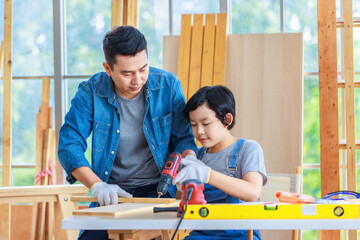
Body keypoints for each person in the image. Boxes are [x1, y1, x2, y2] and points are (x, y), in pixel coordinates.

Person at [58, 25, 197, 239]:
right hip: (111, 192)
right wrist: (97, 186)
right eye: (126, 73)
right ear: (108, 68)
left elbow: (183, 139)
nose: (137, 80)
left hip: (156, 191)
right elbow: (69, 144)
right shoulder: (90, 92)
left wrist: (191, 162)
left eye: (143, 69)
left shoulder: (168, 86)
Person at [173, 85, 267, 240]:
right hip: (200, 235)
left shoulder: (248, 149)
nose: (199, 131)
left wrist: (207, 174)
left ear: (226, 119)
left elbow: (252, 192)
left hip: (240, 236)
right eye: (194, 125)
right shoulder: (197, 156)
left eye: (206, 123)